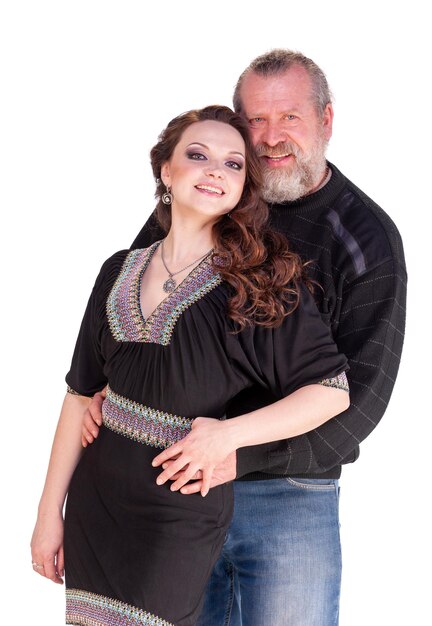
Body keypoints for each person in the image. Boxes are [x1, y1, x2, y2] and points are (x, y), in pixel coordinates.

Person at [82, 49, 407, 626]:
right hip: (170, 484)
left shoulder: (365, 238)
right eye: (255, 120)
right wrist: (99, 392)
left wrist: (237, 451)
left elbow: (359, 397)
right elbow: (135, 305)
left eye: (291, 118)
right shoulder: (202, 202)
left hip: (288, 497)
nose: (271, 138)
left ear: (326, 121)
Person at [31, 105, 350, 626]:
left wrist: (228, 436)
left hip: (178, 513)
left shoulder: (257, 280)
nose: (214, 171)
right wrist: (49, 517)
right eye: (198, 155)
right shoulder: (118, 268)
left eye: (233, 164)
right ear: (166, 170)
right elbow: (78, 395)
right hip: (97, 506)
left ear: (245, 186)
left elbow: (331, 390)